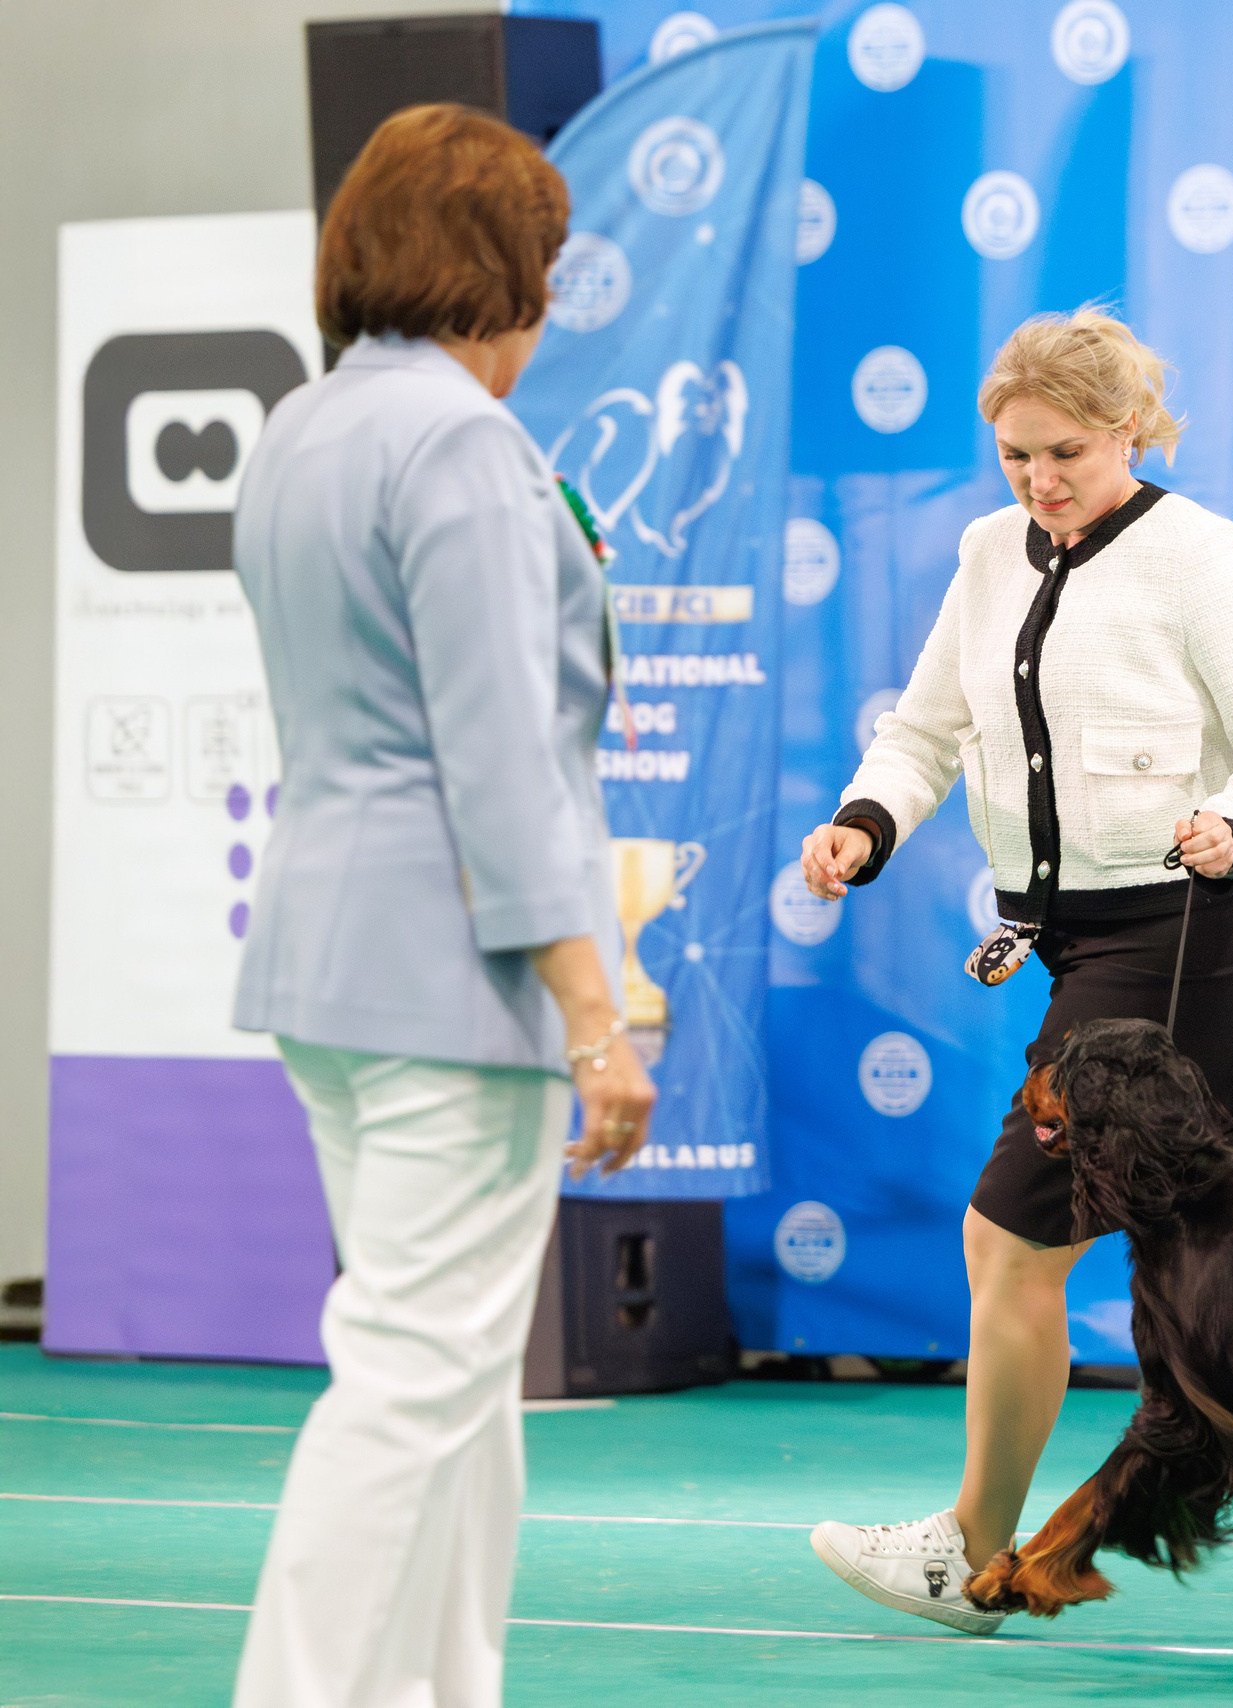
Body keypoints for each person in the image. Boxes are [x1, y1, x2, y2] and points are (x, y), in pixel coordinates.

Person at [800, 307, 1233, 1633]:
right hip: (1085, 945)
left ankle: (973, 1556)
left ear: (1135, 435)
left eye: (1068, 456)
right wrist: (864, 822)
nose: (1039, 484)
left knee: (1010, 1237)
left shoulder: (1199, 555)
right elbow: (924, 730)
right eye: (1014, 458)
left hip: (1189, 941)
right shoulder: (989, 555)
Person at [226, 104, 657, 1707]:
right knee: (416, 1382)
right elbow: (499, 759)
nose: (549, 306)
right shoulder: (465, 444)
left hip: (327, 966)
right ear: (502, 276)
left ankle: (437, 1690)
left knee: (458, 1381)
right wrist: (594, 1010)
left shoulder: (304, 427)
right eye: (543, 268)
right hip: (452, 984)